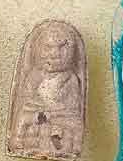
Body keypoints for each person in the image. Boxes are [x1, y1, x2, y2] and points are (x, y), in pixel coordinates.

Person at [10, 22, 82, 154]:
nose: (55, 54)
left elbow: (73, 107)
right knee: (22, 118)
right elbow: (26, 100)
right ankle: (18, 142)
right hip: (36, 113)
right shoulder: (34, 75)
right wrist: (38, 111)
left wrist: (56, 111)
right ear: (38, 49)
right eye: (48, 47)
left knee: (76, 124)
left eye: (61, 48)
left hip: (61, 114)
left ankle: (70, 147)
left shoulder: (71, 78)